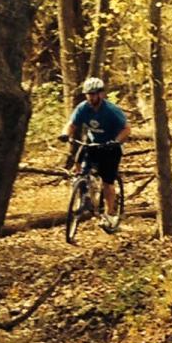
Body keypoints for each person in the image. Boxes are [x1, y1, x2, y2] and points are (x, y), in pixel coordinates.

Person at [59, 77, 131, 231]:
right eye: (88, 94)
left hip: (110, 148)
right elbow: (71, 124)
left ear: (101, 94)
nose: (91, 97)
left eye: (94, 94)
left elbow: (126, 129)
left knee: (107, 182)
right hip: (92, 144)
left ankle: (110, 214)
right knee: (79, 168)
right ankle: (84, 194)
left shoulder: (112, 111)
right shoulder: (83, 108)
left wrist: (116, 142)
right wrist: (65, 134)